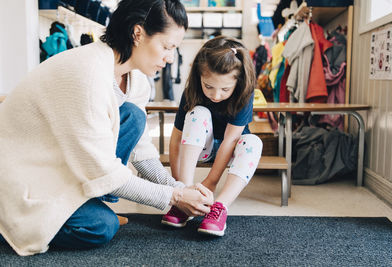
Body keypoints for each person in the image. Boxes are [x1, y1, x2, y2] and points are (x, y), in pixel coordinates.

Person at [0, 0, 213, 256]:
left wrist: (177, 188)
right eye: (167, 46)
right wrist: (174, 198)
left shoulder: (135, 79)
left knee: (133, 117)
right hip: (23, 174)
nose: (170, 58)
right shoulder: (88, 75)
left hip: (62, 161)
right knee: (101, 226)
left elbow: (141, 149)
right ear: (137, 33)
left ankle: (89, 202)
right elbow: (103, 170)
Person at [161, 36, 263, 236]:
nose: (216, 96)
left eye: (225, 89)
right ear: (199, 76)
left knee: (253, 142)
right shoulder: (192, 90)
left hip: (231, 149)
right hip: (201, 147)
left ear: (238, 82)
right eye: (209, 86)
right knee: (199, 113)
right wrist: (180, 188)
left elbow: (230, 140)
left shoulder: (245, 92)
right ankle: (186, 200)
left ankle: (220, 207)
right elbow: (176, 138)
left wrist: (211, 182)